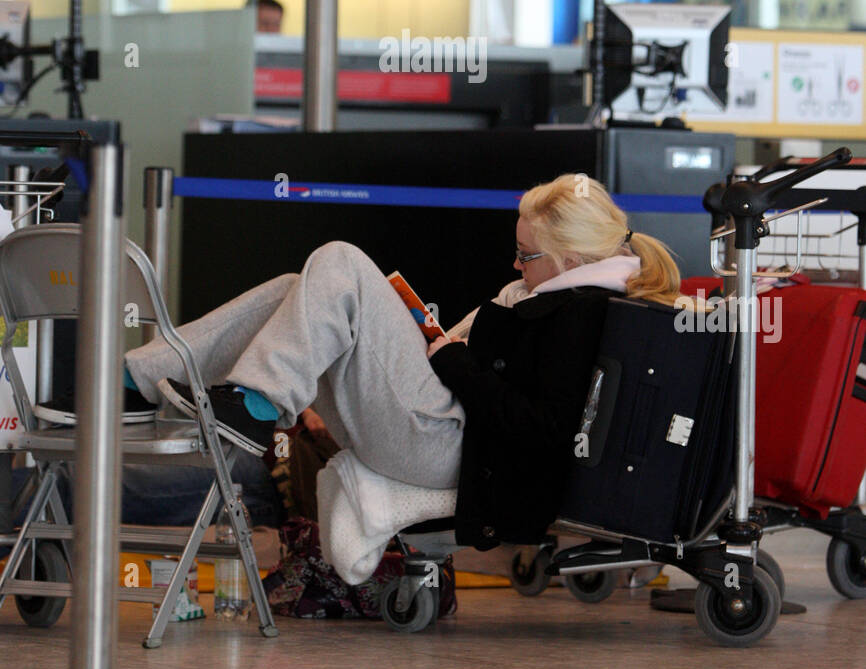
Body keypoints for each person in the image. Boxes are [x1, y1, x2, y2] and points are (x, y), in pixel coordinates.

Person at [35, 175, 682, 546]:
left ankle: (257, 406)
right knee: (296, 287)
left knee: (340, 260)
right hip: (439, 421)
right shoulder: (542, 295)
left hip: (451, 446)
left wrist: (456, 363)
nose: (514, 266)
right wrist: (435, 341)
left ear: (570, 260)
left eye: (525, 256)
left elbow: (540, 428)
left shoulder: (581, 315)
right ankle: (132, 381)